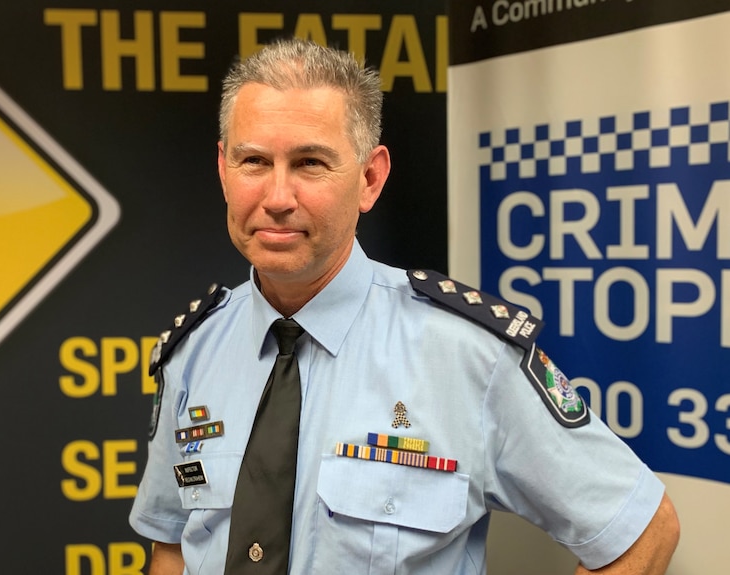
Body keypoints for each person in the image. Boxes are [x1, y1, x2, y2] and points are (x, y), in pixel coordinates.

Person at [130, 37, 679, 575]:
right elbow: (174, 546)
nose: (277, 197)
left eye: (310, 163)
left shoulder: (468, 355)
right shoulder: (194, 352)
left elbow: (642, 531)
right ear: (224, 168)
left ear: (370, 178)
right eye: (253, 161)